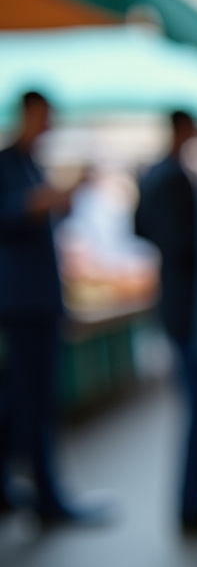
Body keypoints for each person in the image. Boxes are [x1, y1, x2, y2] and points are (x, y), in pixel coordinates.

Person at [0, 91, 104, 525]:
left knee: (23, 399)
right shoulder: (7, 163)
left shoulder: (31, 164)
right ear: (28, 114)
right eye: (44, 116)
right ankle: (45, 498)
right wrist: (53, 196)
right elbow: (14, 213)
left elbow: (41, 218)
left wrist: (62, 200)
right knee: (33, 401)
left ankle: (16, 488)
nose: (49, 125)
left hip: (38, 299)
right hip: (21, 302)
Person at [134, 110, 197, 530]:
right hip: (188, 304)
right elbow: (183, 239)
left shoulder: (154, 174)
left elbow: (140, 228)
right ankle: (189, 502)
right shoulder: (172, 178)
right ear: (183, 129)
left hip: (174, 297)